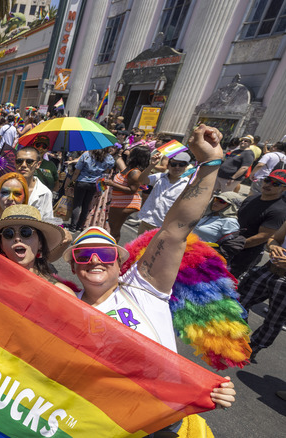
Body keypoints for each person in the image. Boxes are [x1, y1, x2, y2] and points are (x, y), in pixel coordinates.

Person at [64, 125, 236, 426]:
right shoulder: (67, 307)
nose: (94, 261)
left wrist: (209, 164)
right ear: (75, 266)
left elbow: (175, 230)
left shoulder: (143, 288)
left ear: (119, 264)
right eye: (83, 256)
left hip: (159, 416)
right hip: (101, 418)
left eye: (105, 254)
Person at [0, 204, 73, 293]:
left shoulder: (60, 293)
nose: (17, 238)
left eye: (26, 232)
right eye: (8, 233)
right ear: (1, 244)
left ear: (40, 242)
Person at [238, 220, 286, 362]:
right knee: (239, 301)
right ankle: (237, 337)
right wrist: (274, 247)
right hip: (269, 269)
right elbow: (274, 239)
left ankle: (252, 348)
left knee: (274, 320)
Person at [228, 169, 286, 277]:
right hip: (229, 244)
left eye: (275, 184)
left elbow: (263, 236)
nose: (268, 184)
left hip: (245, 253)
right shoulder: (252, 198)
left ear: (283, 188)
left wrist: (237, 246)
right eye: (267, 180)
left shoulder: (280, 210)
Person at [136, 151, 192, 234]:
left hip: (164, 228)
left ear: (186, 167)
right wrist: (151, 165)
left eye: (181, 165)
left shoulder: (187, 185)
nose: (177, 167)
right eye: (173, 164)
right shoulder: (160, 176)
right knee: (139, 247)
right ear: (168, 165)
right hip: (146, 221)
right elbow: (142, 180)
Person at [104, 146, 149, 241]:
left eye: (130, 152)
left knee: (114, 230)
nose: (127, 153)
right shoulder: (129, 168)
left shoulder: (135, 172)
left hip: (125, 204)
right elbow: (119, 160)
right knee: (111, 228)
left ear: (136, 156)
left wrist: (113, 184)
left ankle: (114, 251)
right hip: (118, 202)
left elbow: (132, 190)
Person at [68, 147, 115, 231]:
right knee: (86, 205)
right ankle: (79, 226)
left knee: (77, 204)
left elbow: (77, 171)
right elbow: (106, 172)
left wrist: (71, 182)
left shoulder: (86, 155)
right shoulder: (109, 158)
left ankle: (73, 226)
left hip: (82, 181)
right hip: (95, 184)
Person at [15, 146, 56, 222]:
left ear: (38, 164)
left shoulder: (45, 193)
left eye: (29, 162)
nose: (23, 165)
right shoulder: (4, 186)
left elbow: (47, 222)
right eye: (19, 161)